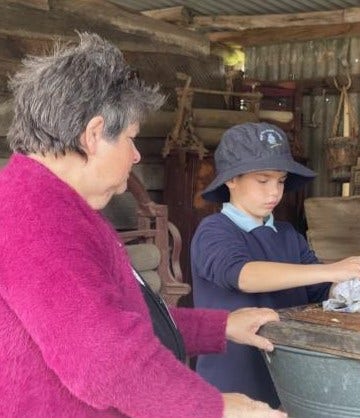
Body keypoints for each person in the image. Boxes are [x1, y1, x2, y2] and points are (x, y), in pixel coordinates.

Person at [0, 32, 287, 418]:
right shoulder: (35, 218)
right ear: (94, 135)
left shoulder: (54, 204)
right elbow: (104, 357)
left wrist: (219, 327)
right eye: (132, 139)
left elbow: (122, 317)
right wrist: (212, 406)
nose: (136, 155)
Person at [191, 122, 360, 408]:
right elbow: (243, 275)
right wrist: (332, 269)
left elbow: (317, 290)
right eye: (263, 180)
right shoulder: (214, 230)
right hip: (231, 383)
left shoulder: (288, 234)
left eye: (280, 180)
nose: (274, 191)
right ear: (231, 180)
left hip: (288, 377)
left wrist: (352, 283)